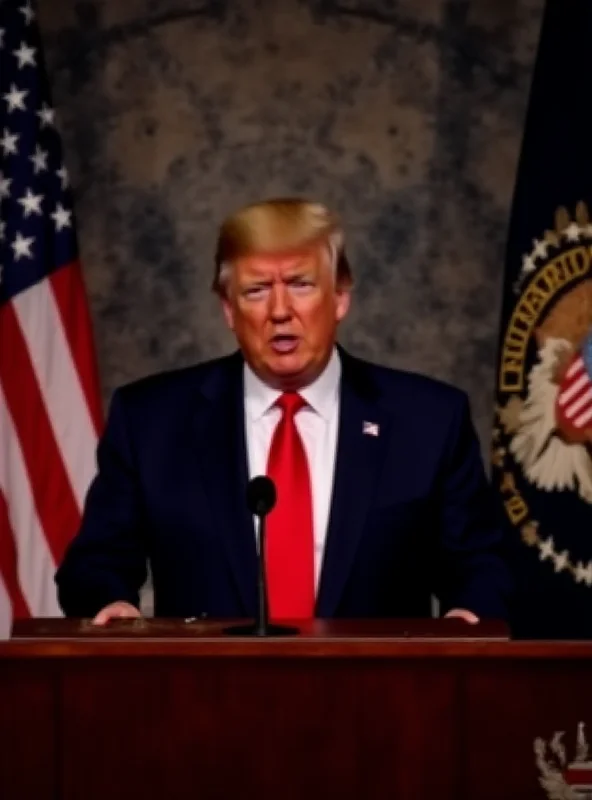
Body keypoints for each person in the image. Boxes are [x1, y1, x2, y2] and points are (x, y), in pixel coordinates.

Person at [56, 198, 511, 625]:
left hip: (378, 699)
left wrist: (468, 616)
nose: (280, 310)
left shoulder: (428, 421)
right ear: (228, 309)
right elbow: (94, 566)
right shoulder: (152, 421)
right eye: (256, 290)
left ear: (340, 297)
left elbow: (484, 566)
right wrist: (109, 603)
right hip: (207, 698)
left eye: (300, 284)